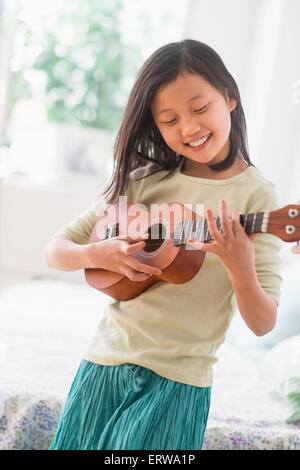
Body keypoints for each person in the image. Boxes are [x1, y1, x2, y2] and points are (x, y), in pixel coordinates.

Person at [45, 39, 282, 450]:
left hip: (180, 380)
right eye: (169, 119)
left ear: (229, 96)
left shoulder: (257, 198)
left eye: (199, 108)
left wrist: (240, 264)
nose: (188, 128)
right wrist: (95, 254)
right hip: (105, 361)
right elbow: (55, 250)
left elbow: (263, 322)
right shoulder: (144, 182)